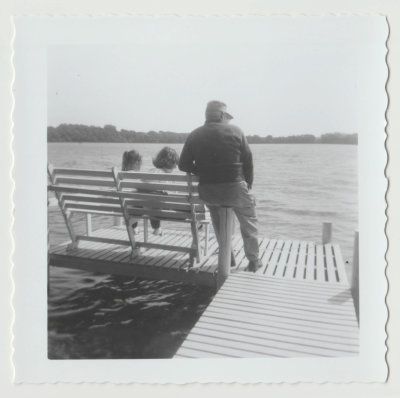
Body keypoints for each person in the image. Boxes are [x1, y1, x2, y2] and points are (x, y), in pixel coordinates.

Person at [178, 100, 262, 272]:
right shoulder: (237, 131)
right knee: (248, 220)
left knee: (218, 220)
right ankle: (254, 260)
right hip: (235, 188)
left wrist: (202, 170)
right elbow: (248, 161)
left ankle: (228, 257)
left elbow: (183, 164)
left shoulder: (195, 134)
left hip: (209, 191)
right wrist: (249, 184)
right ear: (222, 116)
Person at [148, 146, 180, 235]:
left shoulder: (150, 171)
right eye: (175, 164)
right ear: (170, 163)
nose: (176, 167)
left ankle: (156, 228)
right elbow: (171, 195)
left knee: (152, 201)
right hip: (161, 209)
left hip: (144, 207)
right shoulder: (165, 176)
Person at [121, 149, 142, 235]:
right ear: (137, 163)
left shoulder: (120, 174)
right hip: (132, 207)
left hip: (121, 206)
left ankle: (134, 228)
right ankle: (131, 224)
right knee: (143, 203)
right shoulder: (137, 176)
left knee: (134, 201)